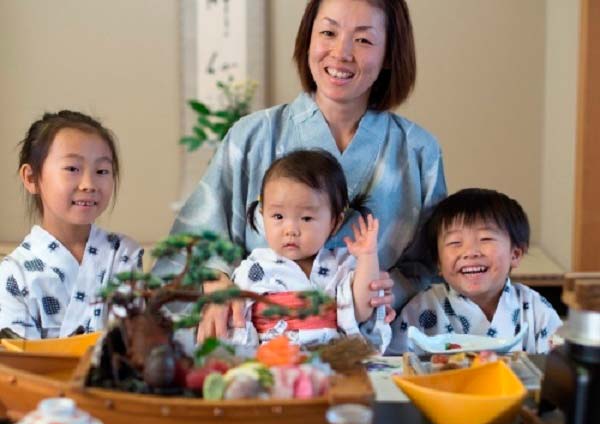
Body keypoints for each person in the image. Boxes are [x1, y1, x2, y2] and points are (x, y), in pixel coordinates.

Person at [154, 0, 446, 345]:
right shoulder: (251, 137)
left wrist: (382, 292)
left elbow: (430, 265)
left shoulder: (418, 151)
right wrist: (218, 285)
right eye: (328, 32)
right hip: (260, 356)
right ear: (308, 39)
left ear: (389, 54)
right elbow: (192, 246)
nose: (341, 52)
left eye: (364, 40)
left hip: (373, 350)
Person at [228, 150, 391, 352]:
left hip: (332, 359)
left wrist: (367, 257)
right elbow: (238, 324)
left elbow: (361, 310)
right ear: (262, 214)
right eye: (278, 216)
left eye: (306, 218)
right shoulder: (255, 268)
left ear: (335, 222)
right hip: (273, 362)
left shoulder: (341, 263)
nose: (291, 230)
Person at [0, 111, 143, 339]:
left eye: (102, 171)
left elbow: (133, 343)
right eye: (72, 169)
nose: (89, 184)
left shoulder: (123, 253)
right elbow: (19, 361)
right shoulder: (13, 274)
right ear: (31, 178)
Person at [394, 188, 562, 354]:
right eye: (455, 242)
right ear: (438, 261)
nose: (471, 252)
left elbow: (557, 365)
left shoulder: (535, 309)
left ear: (515, 254)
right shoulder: (421, 309)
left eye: (485, 239)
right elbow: (395, 367)